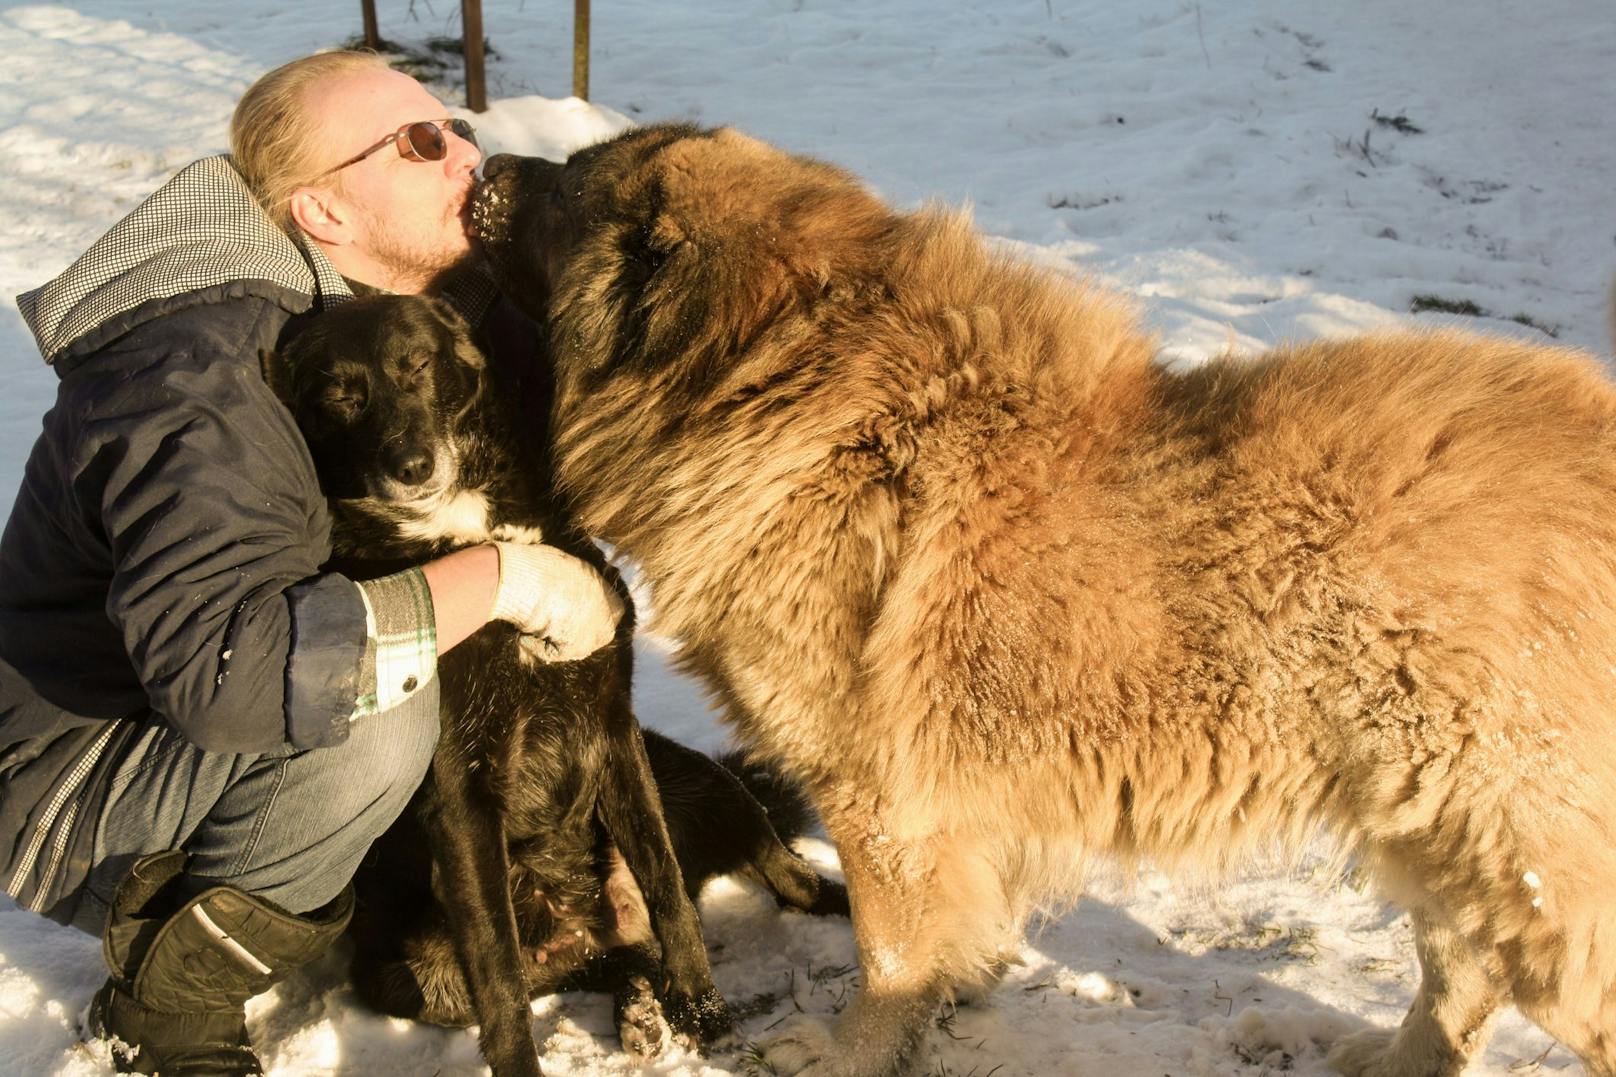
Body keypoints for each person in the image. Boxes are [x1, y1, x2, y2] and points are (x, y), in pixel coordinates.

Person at [0, 51, 617, 1074]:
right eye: (419, 144)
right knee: (378, 708)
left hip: (188, 740)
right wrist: (516, 579)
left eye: (456, 128)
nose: (465, 155)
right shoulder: (199, 376)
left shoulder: (405, 303)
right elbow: (226, 676)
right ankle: (168, 1011)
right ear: (322, 214)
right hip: (85, 794)